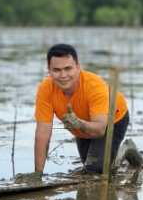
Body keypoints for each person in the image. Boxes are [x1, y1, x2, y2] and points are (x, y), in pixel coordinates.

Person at [33, 44, 129, 176]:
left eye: (68, 68)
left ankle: (126, 149)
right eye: (56, 70)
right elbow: (42, 135)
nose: (63, 75)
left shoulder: (95, 86)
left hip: (113, 119)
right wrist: (38, 174)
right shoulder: (45, 89)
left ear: (78, 67)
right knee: (87, 164)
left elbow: (100, 130)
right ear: (49, 70)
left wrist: (79, 124)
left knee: (96, 168)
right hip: (80, 123)